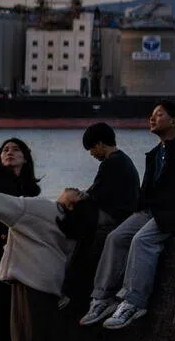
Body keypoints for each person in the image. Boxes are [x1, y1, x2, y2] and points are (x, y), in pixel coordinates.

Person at [80, 101, 175, 330]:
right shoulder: (155, 154)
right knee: (115, 237)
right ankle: (103, 298)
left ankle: (134, 302)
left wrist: (172, 203)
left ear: (174, 121)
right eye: (151, 115)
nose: (151, 119)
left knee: (142, 241)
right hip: (153, 211)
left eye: (158, 115)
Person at [0, 182, 73, 341]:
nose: (74, 188)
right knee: (48, 330)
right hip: (52, 276)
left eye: (78, 192)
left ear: (71, 203)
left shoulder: (39, 208)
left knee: (24, 330)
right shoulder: (73, 222)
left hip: (29, 273)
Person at [56, 123, 140, 310]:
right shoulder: (124, 160)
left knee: (72, 216)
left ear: (101, 144)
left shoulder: (111, 163)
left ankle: (65, 285)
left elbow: (94, 194)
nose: (92, 154)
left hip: (115, 215)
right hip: (124, 213)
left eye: (92, 148)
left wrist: (72, 198)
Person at [0, 139, 41, 341]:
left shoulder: (32, 189)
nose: (9, 153)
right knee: (0, 308)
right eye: (5, 150)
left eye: (15, 149)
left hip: (20, 253)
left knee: (12, 311)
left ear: (26, 156)